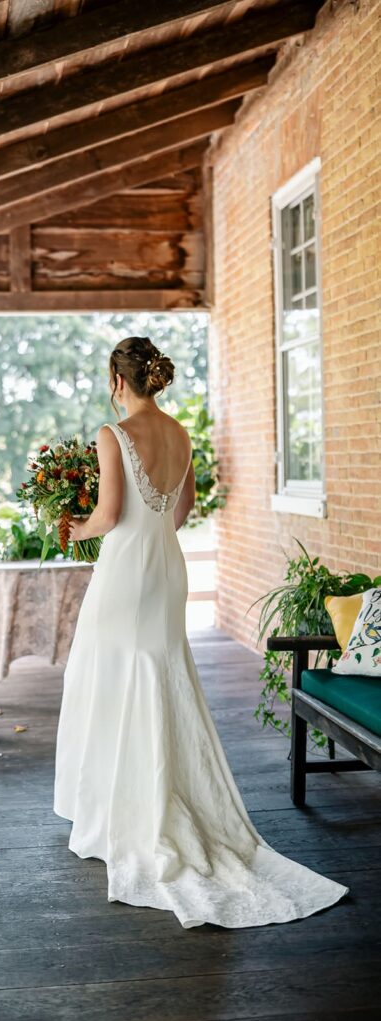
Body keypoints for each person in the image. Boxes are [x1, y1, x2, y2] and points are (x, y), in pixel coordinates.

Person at [53, 336, 349, 928]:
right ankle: (163, 797)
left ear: (118, 379)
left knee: (113, 676)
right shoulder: (181, 433)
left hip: (126, 571)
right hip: (165, 567)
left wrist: (71, 524)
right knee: (159, 674)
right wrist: (148, 526)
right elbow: (181, 511)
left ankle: (126, 809)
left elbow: (108, 517)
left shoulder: (113, 436)